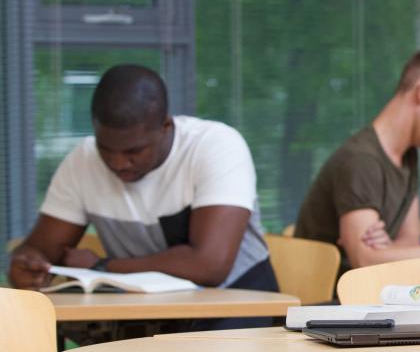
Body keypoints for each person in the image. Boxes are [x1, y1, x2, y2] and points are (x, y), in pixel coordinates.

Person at [9, 64, 276, 329]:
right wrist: (27, 268)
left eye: (133, 151)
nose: (118, 163)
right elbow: (40, 251)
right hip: (144, 312)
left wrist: (103, 266)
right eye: (106, 148)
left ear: (165, 126)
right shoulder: (83, 161)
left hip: (237, 304)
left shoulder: (216, 146)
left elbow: (209, 266)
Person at [295, 49, 420, 273]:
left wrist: (388, 250)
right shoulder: (361, 161)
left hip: (375, 295)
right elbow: (365, 263)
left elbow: (409, 242)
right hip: (332, 301)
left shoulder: (408, 156)